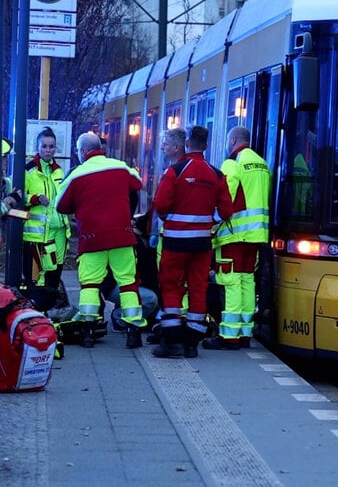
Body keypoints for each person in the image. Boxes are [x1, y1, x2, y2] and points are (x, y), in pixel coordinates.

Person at [55, 131, 147, 349]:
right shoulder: (120, 167)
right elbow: (138, 184)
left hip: (92, 239)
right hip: (122, 236)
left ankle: (87, 330)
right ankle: (133, 331)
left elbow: (60, 204)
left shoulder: (76, 175)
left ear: (83, 151)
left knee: (89, 284)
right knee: (128, 284)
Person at [152, 125, 234, 359]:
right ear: (206, 146)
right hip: (202, 244)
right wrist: (209, 221)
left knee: (171, 286)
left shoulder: (175, 171)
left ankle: (171, 340)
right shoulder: (216, 174)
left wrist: (170, 219)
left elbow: (160, 205)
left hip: (175, 242)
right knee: (198, 287)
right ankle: (192, 342)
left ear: (186, 144)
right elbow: (227, 211)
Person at [205, 126, 270, 350]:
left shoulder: (232, 163)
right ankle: (244, 333)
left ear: (232, 139)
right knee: (247, 282)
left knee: (230, 282)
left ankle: (229, 336)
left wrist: (211, 223)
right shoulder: (262, 164)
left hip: (233, 234)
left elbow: (225, 199)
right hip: (255, 235)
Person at [23, 127, 71, 290]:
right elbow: (16, 196)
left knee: (57, 267)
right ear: (37, 147)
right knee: (46, 269)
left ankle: (52, 301)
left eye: (51, 146)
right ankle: (44, 301)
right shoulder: (28, 171)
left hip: (60, 229)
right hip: (40, 231)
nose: (48, 150)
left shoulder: (58, 170)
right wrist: (35, 199)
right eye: (44, 146)